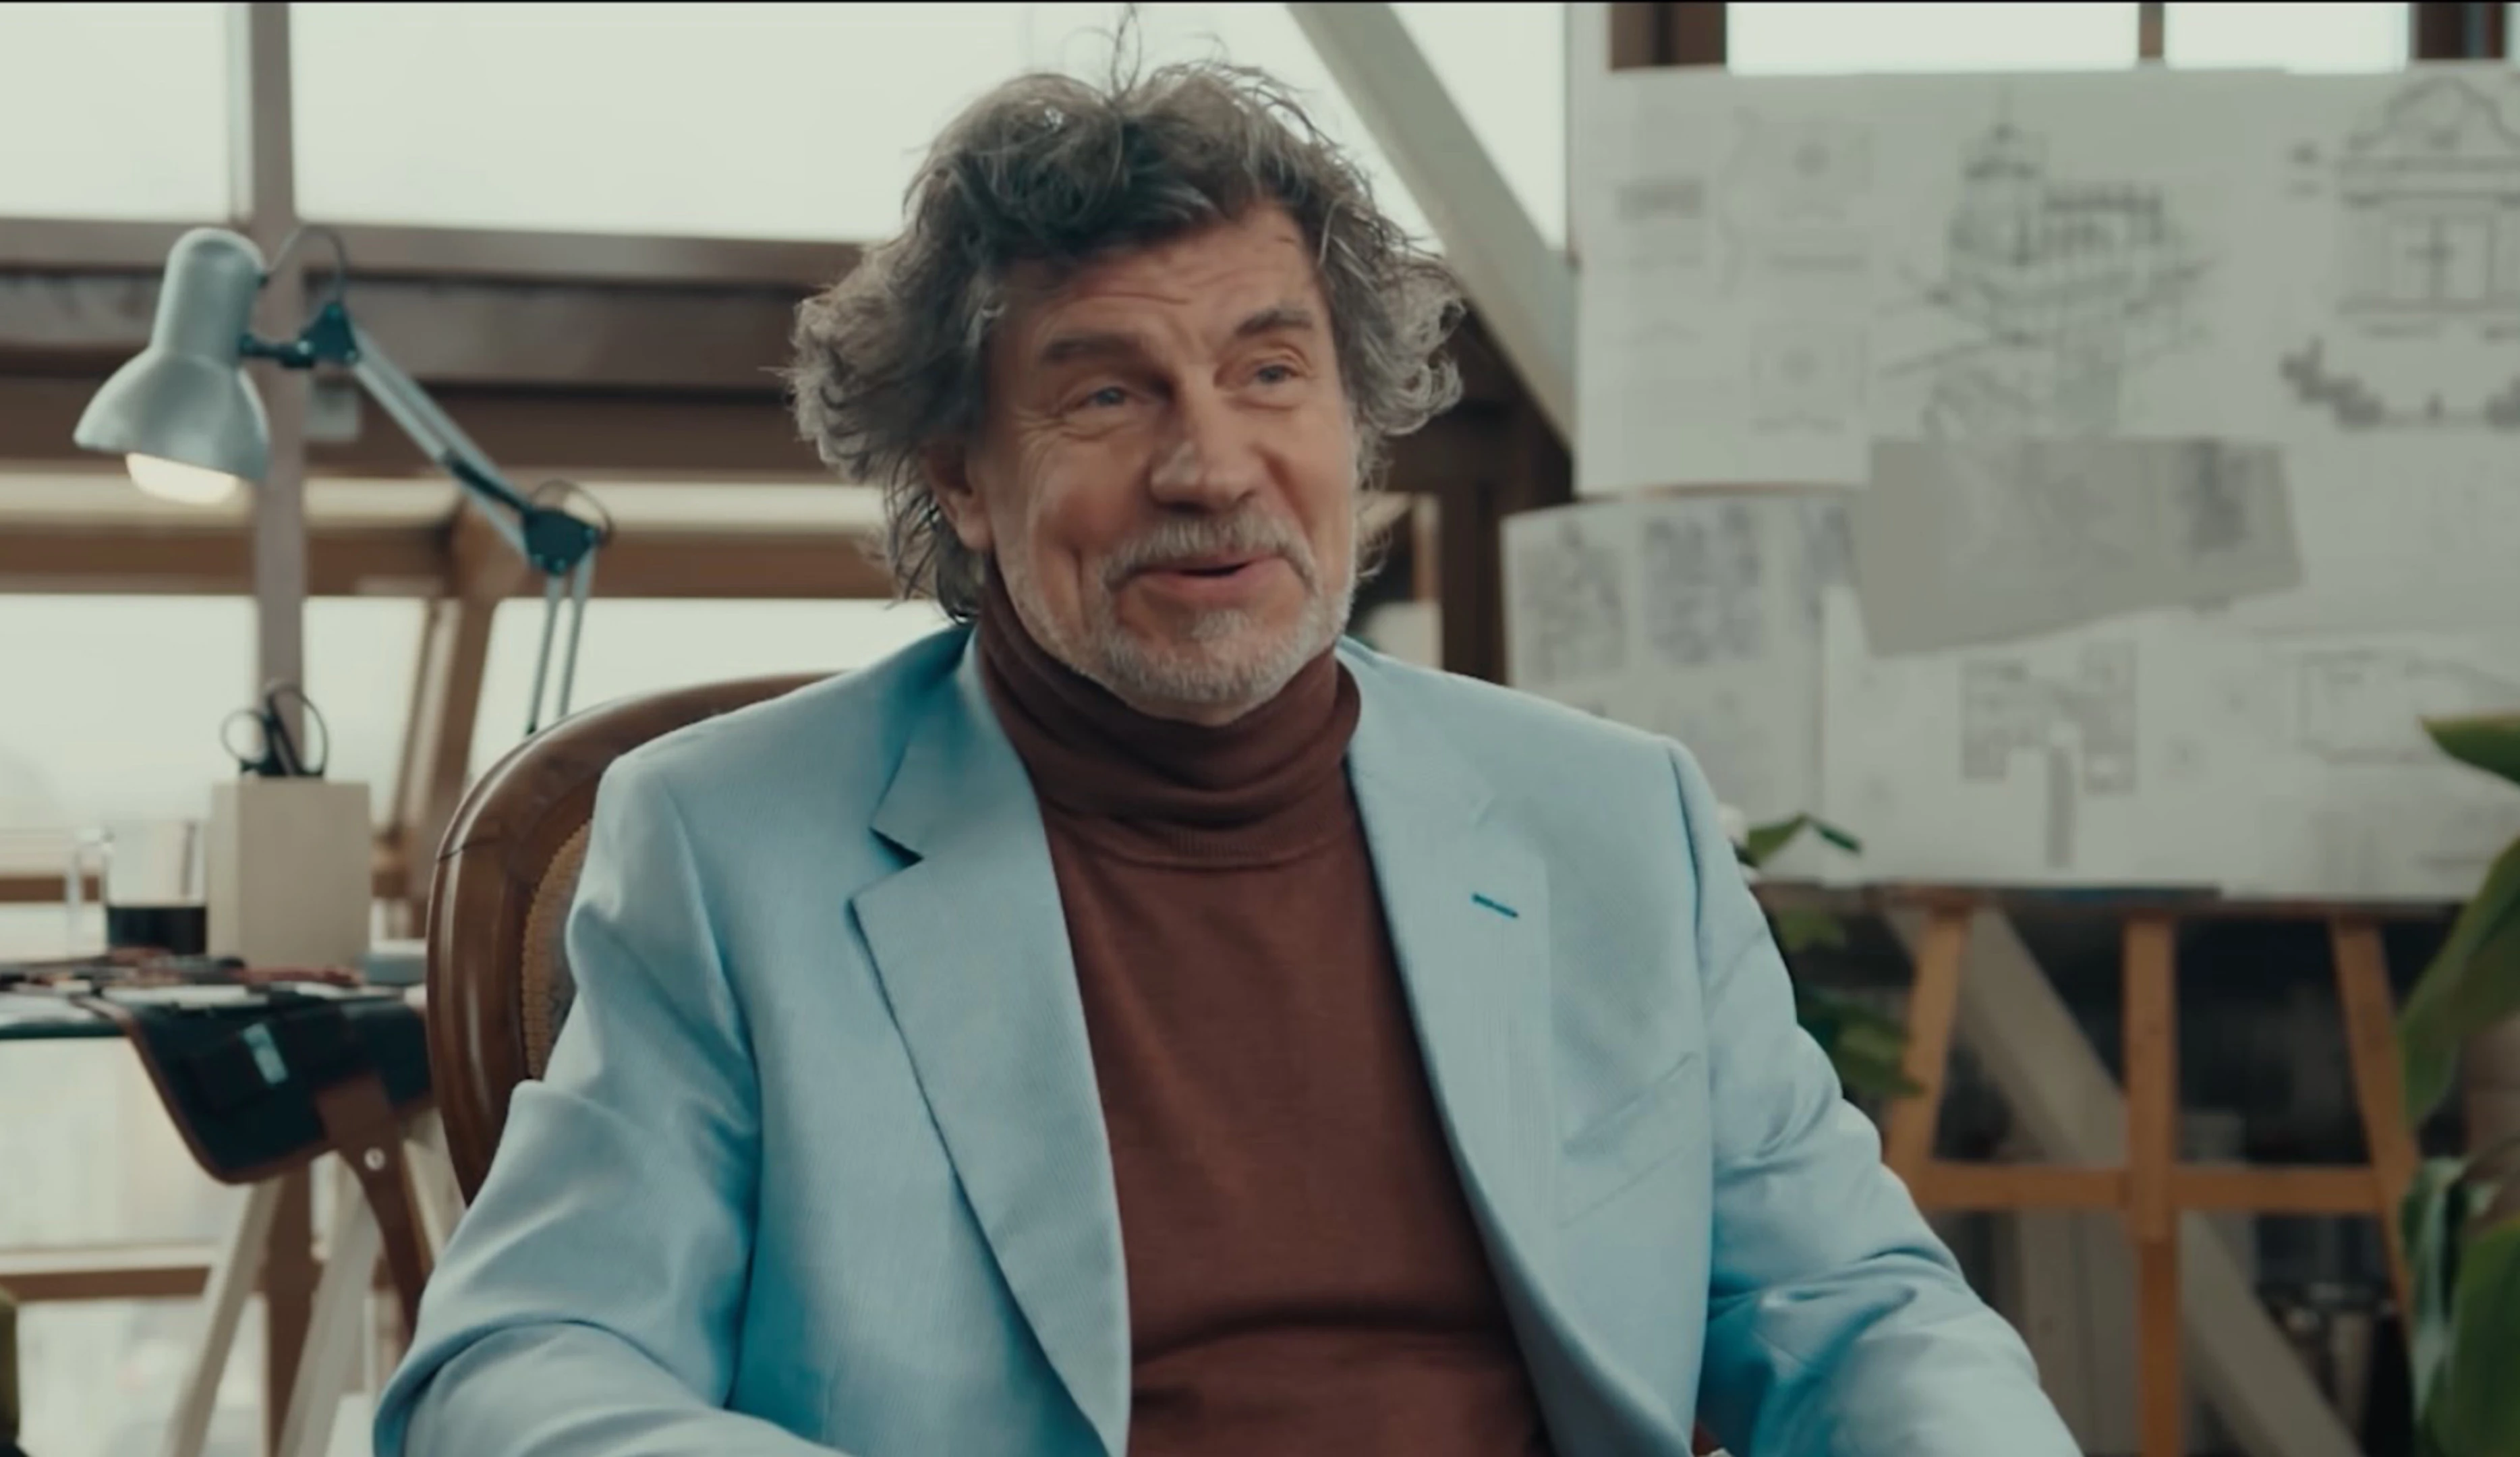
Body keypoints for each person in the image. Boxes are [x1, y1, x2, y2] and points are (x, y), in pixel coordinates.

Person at [375, 52, 2082, 1457]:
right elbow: (521, 1369)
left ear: (1356, 424)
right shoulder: (729, 846)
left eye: (1271, 372)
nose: (1210, 465)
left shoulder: (1613, 820)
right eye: (1107, 396)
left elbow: (1855, 1310)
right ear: (962, 476)